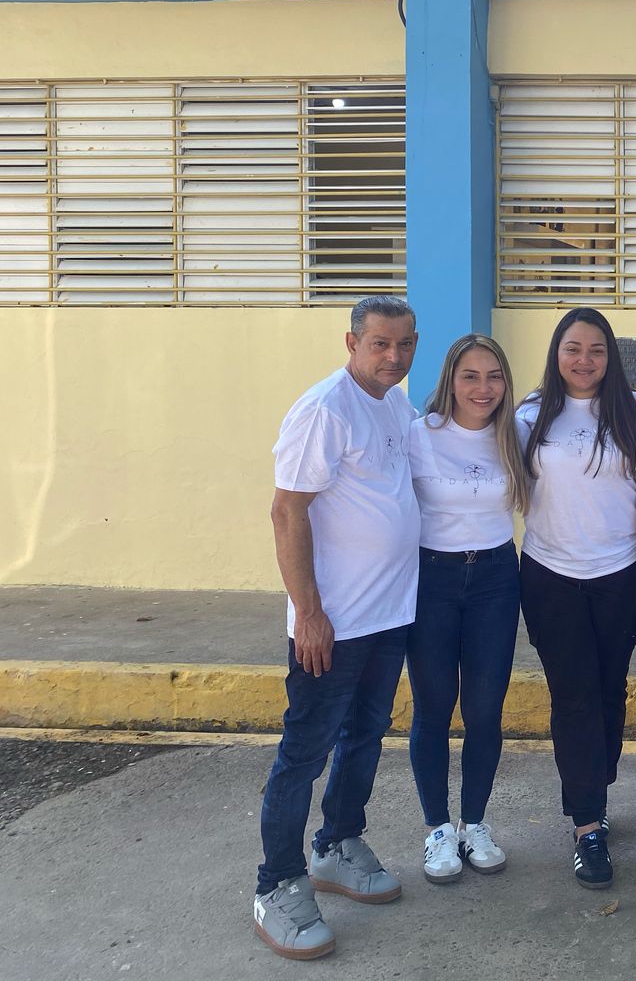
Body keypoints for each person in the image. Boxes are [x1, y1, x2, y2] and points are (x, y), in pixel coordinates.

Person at [254, 296, 421, 960]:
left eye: (405, 344)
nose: (393, 357)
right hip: (334, 623)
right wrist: (310, 613)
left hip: (388, 616)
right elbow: (286, 513)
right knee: (304, 753)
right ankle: (277, 884)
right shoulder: (325, 408)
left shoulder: (396, 404)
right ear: (351, 342)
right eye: (380, 344)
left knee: (366, 735)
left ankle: (337, 844)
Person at [517, 309, 636, 891]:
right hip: (550, 576)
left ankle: (596, 784)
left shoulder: (635, 411)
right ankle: (586, 824)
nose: (584, 360)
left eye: (596, 349)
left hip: (621, 574)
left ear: (609, 356)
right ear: (556, 352)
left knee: (609, 689)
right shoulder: (528, 415)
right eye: (573, 348)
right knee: (573, 697)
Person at [405, 333, 526, 885]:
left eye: (493, 376)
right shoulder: (419, 435)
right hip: (432, 578)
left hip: (497, 579)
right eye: (470, 376)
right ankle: (437, 829)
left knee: (484, 710)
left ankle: (474, 822)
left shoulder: (514, 434)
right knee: (433, 707)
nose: (483, 388)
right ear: (450, 379)